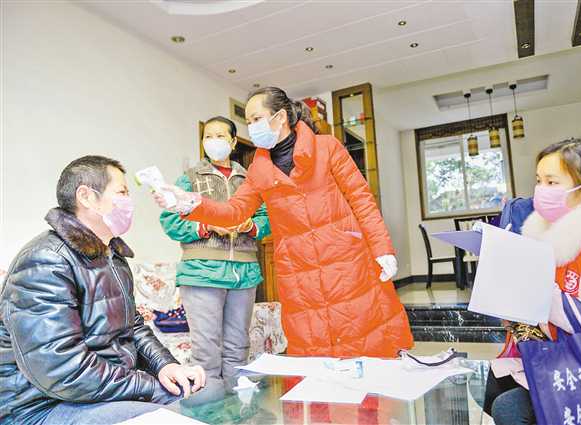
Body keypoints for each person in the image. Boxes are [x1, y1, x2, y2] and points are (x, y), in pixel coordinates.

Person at [153, 86, 413, 358]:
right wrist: (191, 204)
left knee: (363, 337)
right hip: (298, 270)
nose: (252, 127)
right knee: (314, 345)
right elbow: (235, 212)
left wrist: (382, 248)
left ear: (280, 117)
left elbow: (361, 199)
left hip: (345, 261)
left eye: (256, 119)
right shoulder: (259, 169)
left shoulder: (327, 148)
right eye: (249, 122)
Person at [0, 156, 205, 425]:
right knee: (168, 417)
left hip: (100, 391)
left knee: (200, 397)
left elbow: (133, 326)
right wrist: (150, 386)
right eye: (122, 192)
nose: (129, 202)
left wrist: (166, 365)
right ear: (86, 197)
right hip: (42, 405)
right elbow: (62, 369)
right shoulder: (46, 260)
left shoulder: (112, 256)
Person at [484, 138, 581, 425]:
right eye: (539, 181)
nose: (541, 190)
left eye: (552, 182)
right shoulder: (555, 232)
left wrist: (528, 282)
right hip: (568, 351)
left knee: (509, 408)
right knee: (494, 384)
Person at [159, 116, 270, 390]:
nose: (213, 141)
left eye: (220, 136)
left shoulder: (250, 180)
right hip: (201, 274)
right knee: (206, 353)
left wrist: (249, 225)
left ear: (233, 142)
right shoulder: (189, 178)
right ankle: (208, 409)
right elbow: (170, 221)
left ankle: (238, 407)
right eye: (208, 136)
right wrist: (207, 225)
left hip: (244, 274)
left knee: (238, 348)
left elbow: (267, 218)